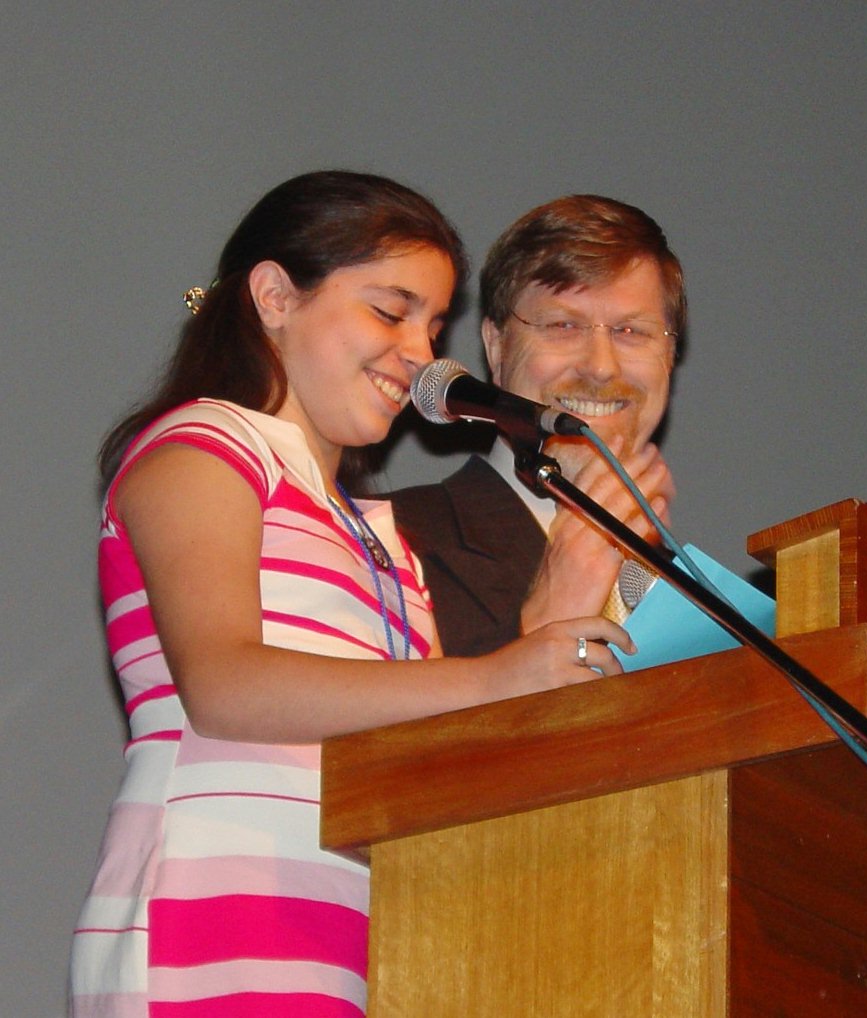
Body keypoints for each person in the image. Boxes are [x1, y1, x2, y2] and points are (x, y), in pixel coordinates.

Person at [70, 172, 631, 1017]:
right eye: (389, 309)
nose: (421, 353)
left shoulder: (378, 535)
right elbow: (224, 685)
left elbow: (420, 758)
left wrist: (548, 627)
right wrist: (494, 677)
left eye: (434, 323)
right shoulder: (204, 444)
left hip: (362, 939)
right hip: (218, 920)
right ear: (273, 295)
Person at [389, 194, 867, 658]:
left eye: (631, 332)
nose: (601, 367)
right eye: (563, 326)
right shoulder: (394, 543)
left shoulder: (711, 607)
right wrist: (545, 626)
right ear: (495, 344)